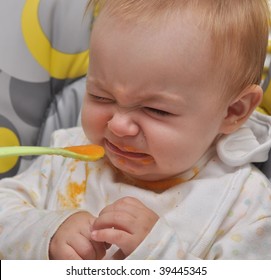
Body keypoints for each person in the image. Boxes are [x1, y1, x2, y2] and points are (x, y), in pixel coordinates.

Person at [0, 0, 271, 260]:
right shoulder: (65, 156)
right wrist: (47, 232)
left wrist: (159, 256)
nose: (118, 125)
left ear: (233, 111)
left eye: (157, 110)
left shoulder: (246, 205)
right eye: (101, 96)